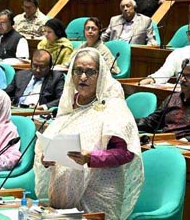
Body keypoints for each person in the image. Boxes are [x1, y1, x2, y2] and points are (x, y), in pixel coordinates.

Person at [34, 48, 142, 220]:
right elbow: (53, 145)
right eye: (78, 70)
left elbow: (126, 152)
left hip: (98, 193)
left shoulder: (113, 107)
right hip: (63, 193)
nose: (83, 77)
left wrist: (90, 157)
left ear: (101, 75)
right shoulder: (68, 104)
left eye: (90, 72)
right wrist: (46, 158)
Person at [137, 56, 190, 144]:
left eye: (188, 76)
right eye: (182, 74)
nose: (182, 79)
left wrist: (185, 140)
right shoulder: (173, 98)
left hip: (187, 148)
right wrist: (129, 123)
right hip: (164, 144)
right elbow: (152, 122)